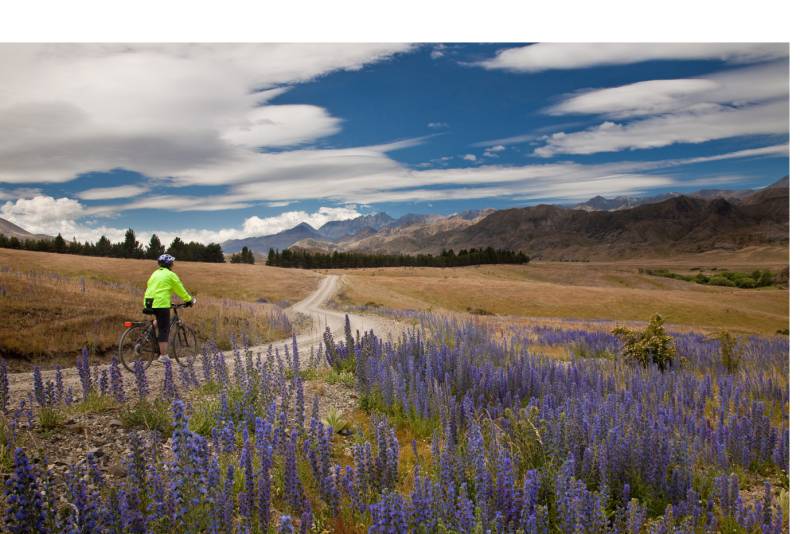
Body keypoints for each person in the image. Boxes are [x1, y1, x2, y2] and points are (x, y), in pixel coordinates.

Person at [143, 253, 196, 363]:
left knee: (160, 320)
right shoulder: (171, 275)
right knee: (164, 329)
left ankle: (147, 334)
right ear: (170, 264)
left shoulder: (155, 273)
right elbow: (180, 289)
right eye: (172, 263)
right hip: (161, 304)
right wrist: (189, 300)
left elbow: (153, 287)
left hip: (148, 302)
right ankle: (163, 356)